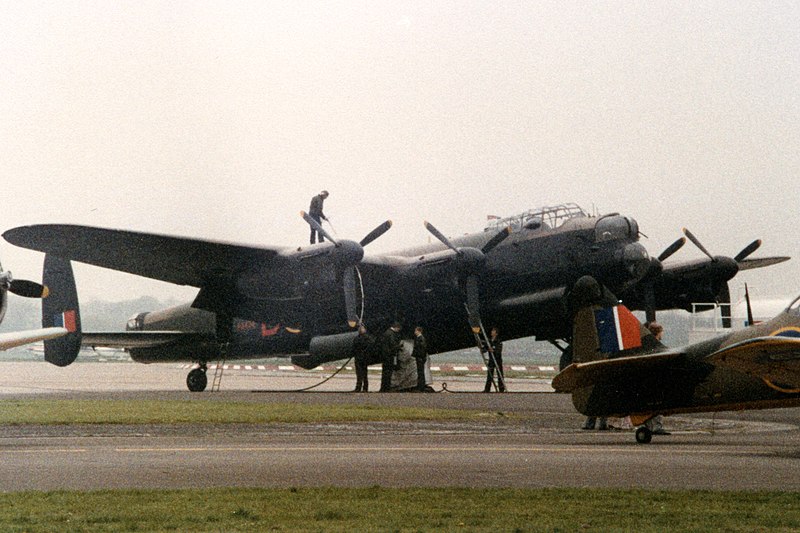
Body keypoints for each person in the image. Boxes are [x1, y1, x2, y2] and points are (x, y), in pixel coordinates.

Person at [644, 321, 669, 435]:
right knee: (656, 403)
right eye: (661, 332)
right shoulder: (654, 346)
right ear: (658, 333)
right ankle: (656, 427)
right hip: (654, 380)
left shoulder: (648, 345)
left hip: (650, 380)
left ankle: (651, 426)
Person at [351, 324, 375, 392]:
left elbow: (370, 347)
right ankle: (358, 387)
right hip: (358, 358)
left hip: (364, 358)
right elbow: (354, 348)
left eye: (362, 328)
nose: (360, 329)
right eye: (359, 328)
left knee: (364, 374)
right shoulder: (357, 338)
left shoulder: (368, 338)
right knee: (359, 374)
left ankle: (365, 387)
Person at [379, 322, 402, 392]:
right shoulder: (391, 334)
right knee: (388, 373)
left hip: (385, 355)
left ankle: (383, 388)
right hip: (389, 356)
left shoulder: (386, 333)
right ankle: (387, 387)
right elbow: (392, 344)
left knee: (384, 372)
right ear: (396, 327)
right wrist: (399, 346)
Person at [482, 326, 505, 392]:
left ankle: (501, 389)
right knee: (489, 374)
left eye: (493, 331)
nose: (492, 332)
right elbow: (485, 348)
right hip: (491, 360)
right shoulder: (489, 340)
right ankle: (487, 389)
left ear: (496, 333)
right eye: (492, 331)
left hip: (497, 360)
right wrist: (483, 348)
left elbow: (499, 350)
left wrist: (493, 350)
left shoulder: (498, 341)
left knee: (500, 374)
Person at [411, 326, 428, 392]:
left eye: (416, 331)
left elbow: (422, 349)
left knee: (420, 373)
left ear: (419, 331)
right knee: (420, 373)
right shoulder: (419, 338)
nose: (415, 332)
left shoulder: (421, 338)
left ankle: (421, 387)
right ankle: (420, 386)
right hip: (419, 357)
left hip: (420, 358)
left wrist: (420, 357)